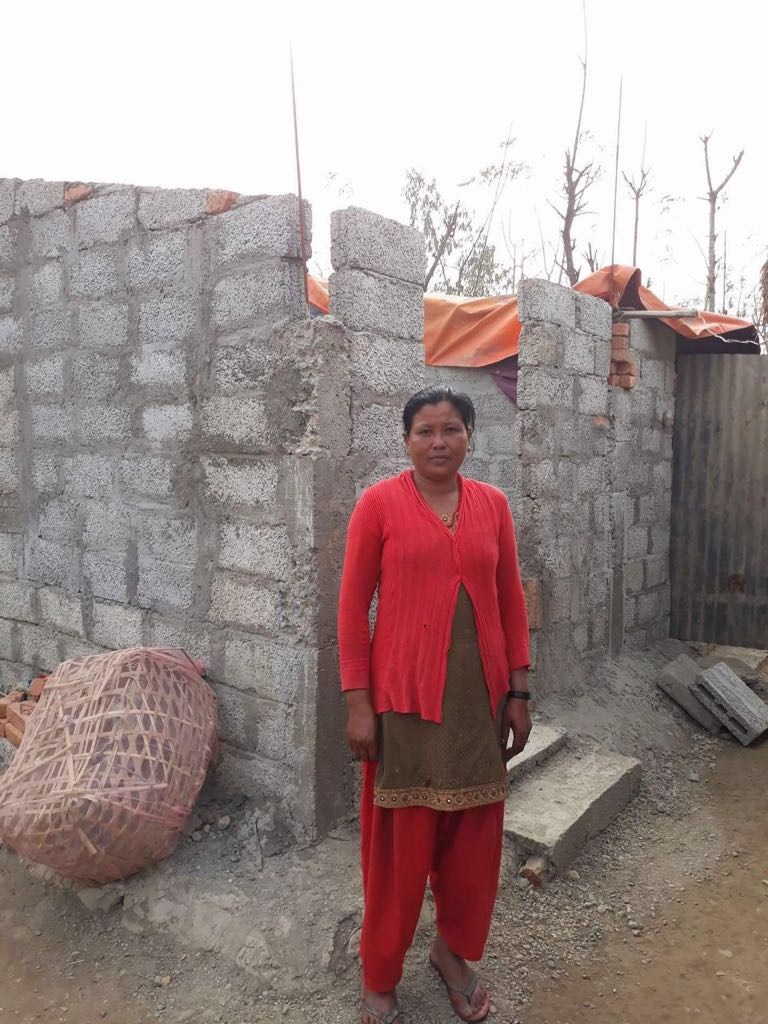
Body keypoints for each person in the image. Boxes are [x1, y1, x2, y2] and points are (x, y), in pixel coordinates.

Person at [338, 386, 532, 1024]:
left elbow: (510, 600)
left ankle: (451, 953)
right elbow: (351, 611)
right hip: (402, 706)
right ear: (406, 440)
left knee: (473, 840)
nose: (439, 442)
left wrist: (519, 691)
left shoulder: (493, 505)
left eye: (452, 429)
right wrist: (358, 703)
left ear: (470, 437)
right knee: (399, 847)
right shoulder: (378, 505)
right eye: (425, 431)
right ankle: (380, 972)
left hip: (479, 703)